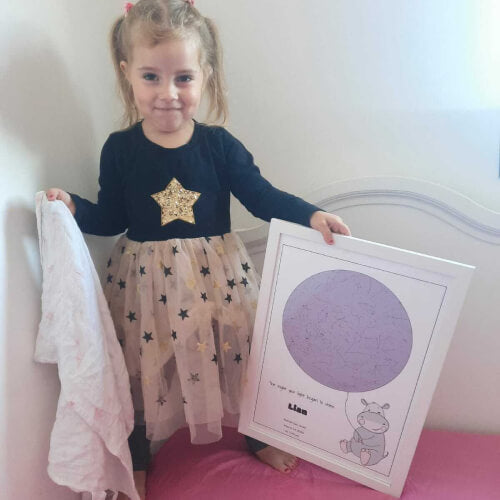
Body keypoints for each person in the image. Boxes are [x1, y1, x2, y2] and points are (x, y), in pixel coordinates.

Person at [46, 1, 351, 498]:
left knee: (244, 356)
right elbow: (113, 217)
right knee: (141, 368)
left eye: (183, 78)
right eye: (151, 77)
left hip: (218, 280)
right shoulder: (119, 149)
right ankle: (139, 452)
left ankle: (257, 436)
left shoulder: (219, 145)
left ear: (204, 76)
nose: (168, 94)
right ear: (128, 75)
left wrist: (310, 214)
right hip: (144, 284)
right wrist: (73, 208)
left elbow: (261, 195)